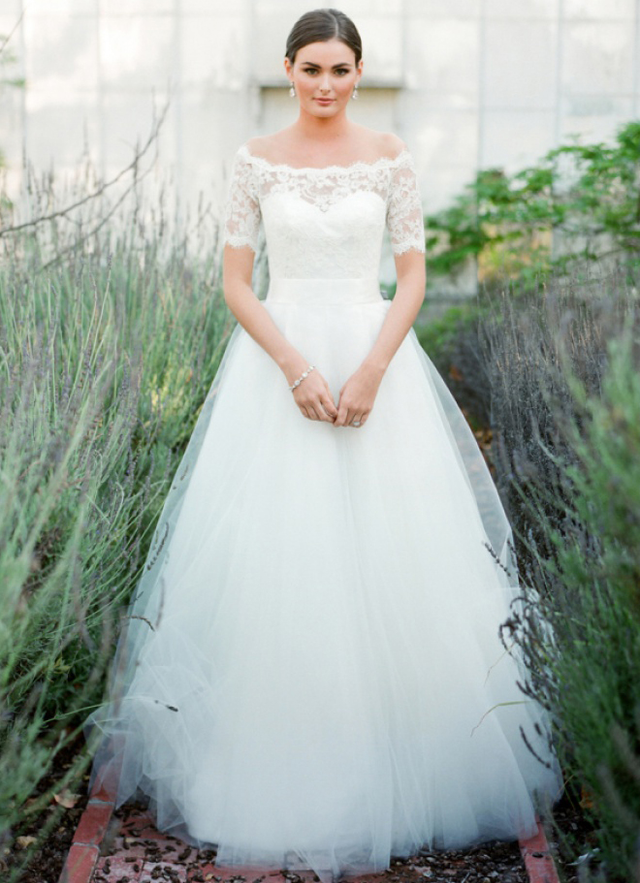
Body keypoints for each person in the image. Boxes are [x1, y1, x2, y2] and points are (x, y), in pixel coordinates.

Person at [83, 8, 562, 883]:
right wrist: (295, 366)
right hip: (279, 366)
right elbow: (236, 279)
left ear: (360, 71)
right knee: (281, 568)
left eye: (341, 69)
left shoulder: (389, 155)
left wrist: (375, 367)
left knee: (400, 563)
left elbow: (410, 273)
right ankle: (277, 767)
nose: (327, 85)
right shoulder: (254, 160)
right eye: (312, 69)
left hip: (378, 358)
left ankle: (408, 765)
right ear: (289, 69)